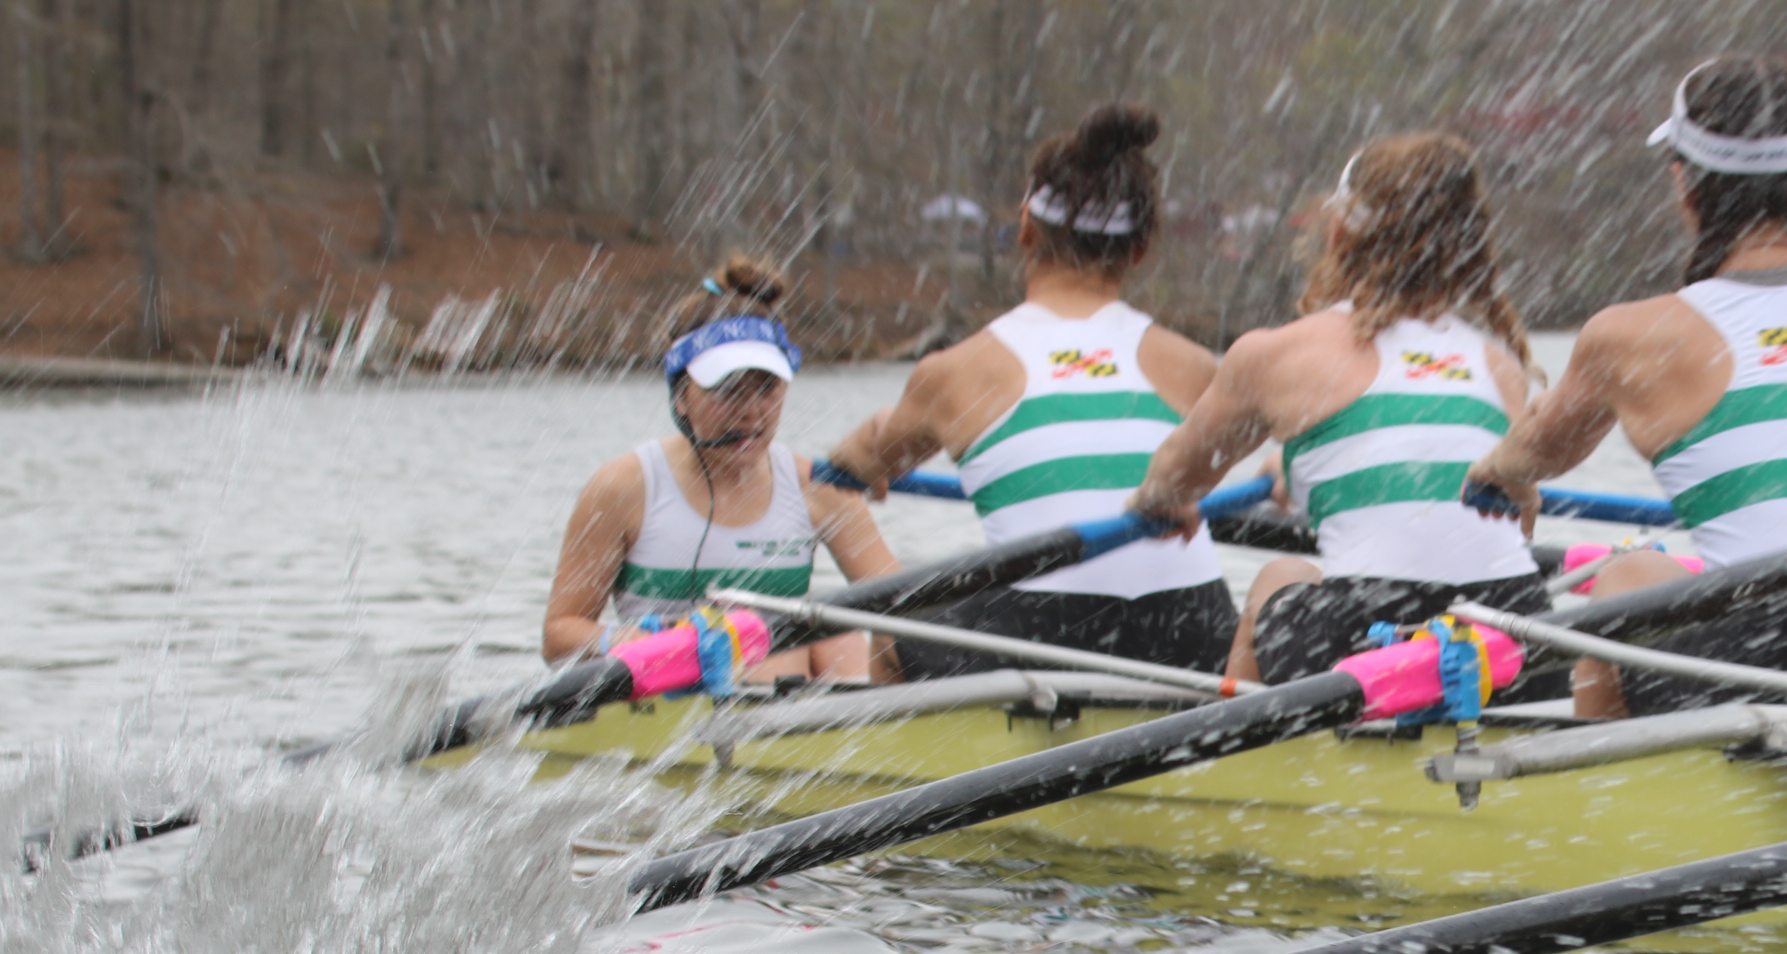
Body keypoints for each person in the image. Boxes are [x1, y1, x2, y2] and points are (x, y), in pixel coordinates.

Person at [1463, 56, 1787, 719]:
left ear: (1684, 183)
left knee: (1630, 573)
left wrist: (1498, 471)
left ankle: (1602, 773)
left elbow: (1543, 448)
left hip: (1764, 674)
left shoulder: (1633, 336)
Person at [825, 103, 1237, 674]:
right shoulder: (1194, 365)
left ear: (1025, 229)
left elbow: (871, 462)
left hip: (1046, 626)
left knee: (890, 635)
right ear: (1138, 251)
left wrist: (860, 446)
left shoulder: (955, 371)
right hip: (1193, 627)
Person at [1126, 131, 1549, 685]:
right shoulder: (1499, 367)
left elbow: (1174, 478)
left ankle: (1236, 734)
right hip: (1512, 633)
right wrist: (1304, 468)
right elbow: (1513, 515)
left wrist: (1158, 501)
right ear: (1462, 247)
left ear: (1340, 231)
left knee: (1280, 575)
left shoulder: (1278, 354)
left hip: (1364, 638)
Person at [544, 258, 897, 680]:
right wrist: (624, 639)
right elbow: (558, 636)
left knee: (840, 631)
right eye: (728, 390)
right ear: (680, 396)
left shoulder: (819, 488)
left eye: (767, 388)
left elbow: (908, 608)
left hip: (785, 699)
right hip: (668, 689)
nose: (751, 412)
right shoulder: (622, 488)